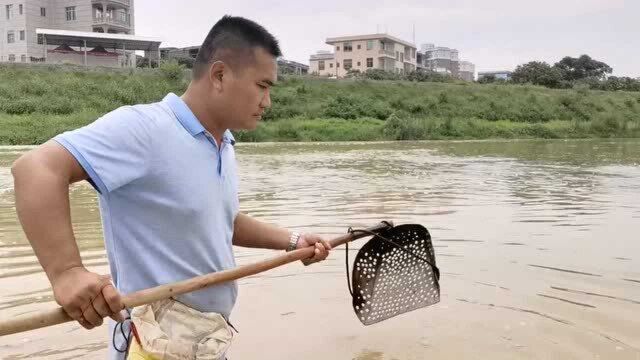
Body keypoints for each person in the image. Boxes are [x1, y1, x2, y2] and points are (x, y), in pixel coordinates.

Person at [11, 15, 331, 359]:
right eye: (263, 86)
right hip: (154, 345)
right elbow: (35, 169)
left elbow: (222, 221)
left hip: (206, 341)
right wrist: (67, 272)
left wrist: (294, 241)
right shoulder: (146, 129)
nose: (267, 102)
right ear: (220, 75)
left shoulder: (221, 144)